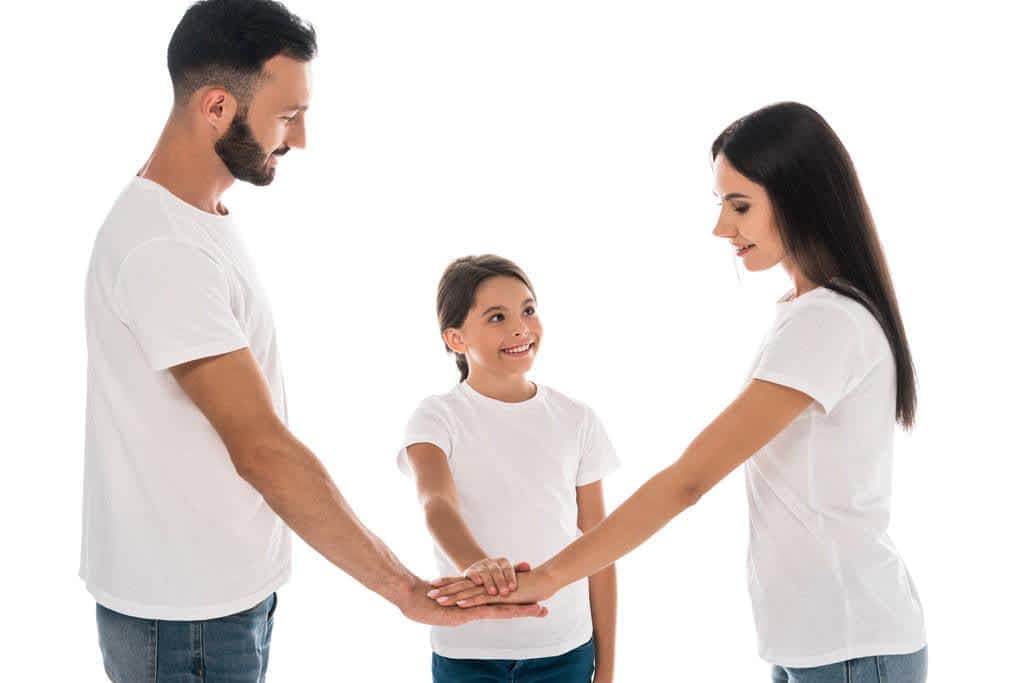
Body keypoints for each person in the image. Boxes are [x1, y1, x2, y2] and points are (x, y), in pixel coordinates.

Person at [81, 2, 541, 681]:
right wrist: (402, 587)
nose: (299, 139)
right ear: (215, 106)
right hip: (187, 620)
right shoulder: (165, 249)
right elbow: (262, 449)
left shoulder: (195, 218)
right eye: (287, 116)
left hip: (216, 600)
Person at [429, 102, 928, 682]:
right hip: (820, 643)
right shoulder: (808, 315)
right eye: (721, 204)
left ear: (799, 196)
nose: (722, 227)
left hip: (850, 645)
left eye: (740, 205)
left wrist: (548, 577)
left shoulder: (827, 324)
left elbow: (689, 480)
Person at [401, 256, 618, 682]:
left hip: (565, 650)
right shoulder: (435, 417)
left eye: (528, 310)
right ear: (455, 338)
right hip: (467, 650)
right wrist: (477, 564)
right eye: (497, 317)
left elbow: (600, 551)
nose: (520, 327)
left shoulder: (577, 419)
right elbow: (436, 502)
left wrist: (607, 669)